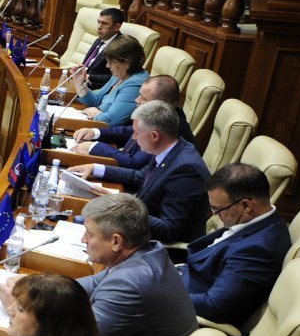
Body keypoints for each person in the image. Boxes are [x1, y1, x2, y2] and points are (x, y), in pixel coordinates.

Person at [75, 194, 197, 336]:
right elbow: (94, 283)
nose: (83, 240)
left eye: (89, 234)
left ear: (116, 241)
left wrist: (27, 310)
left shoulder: (131, 282)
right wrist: (37, 289)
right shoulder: (148, 252)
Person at [74, 100, 211, 245]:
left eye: (137, 133)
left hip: (155, 246)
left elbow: (168, 230)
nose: (133, 138)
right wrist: (96, 168)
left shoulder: (186, 170)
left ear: (154, 136)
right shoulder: (169, 148)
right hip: (138, 224)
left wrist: (123, 207)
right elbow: (141, 177)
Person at [182, 163, 291, 328]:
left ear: (246, 206)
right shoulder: (259, 221)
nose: (215, 215)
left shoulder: (258, 251)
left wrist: (165, 293)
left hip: (186, 314)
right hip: (183, 277)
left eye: (218, 209)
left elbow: (214, 306)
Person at [73, 74, 195, 165]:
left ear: (160, 103)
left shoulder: (170, 127)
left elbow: (134, 163)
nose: (136, 100)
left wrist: (94, 147)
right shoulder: (161, 114)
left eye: (143, 97)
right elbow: (129, 131)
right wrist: (95, 133)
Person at [73, 36, 148, 126]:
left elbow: (110, 121)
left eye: (111, 62)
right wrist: (79, 83)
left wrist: (95, 113)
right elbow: (95, 101)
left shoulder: (136, 84)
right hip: (96, 125)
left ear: (127, 62)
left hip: (113, 136)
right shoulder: (120, 74)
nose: (107, 66)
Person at [71, 7, 126, 91]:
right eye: (99, 22)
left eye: (105, 23)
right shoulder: (100, 40)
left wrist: (88, 77)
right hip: (80, 82)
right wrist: (79, 70)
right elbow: (88, 65)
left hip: (95, 89)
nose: (99, 27)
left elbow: (117, 77)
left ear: (116, 27)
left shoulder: (120, 47)